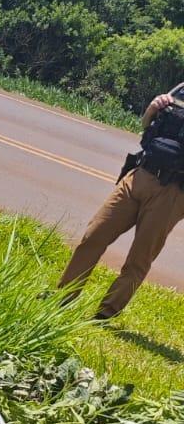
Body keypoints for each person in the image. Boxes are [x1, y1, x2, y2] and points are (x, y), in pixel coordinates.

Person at [57, 84, 184, 319]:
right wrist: (152, 109)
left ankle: (105, 314)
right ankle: (63, 297)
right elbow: (148, 128)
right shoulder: (181, 91)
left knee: (139, 259)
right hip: (139, 175)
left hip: (172, 193)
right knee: (94, 235)